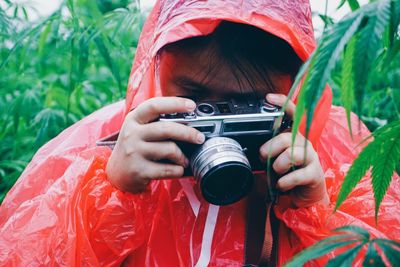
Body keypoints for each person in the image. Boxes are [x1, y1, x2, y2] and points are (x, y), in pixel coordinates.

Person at [0, 1, 399, 266]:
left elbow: (384, 251)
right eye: (195, 101)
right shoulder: (97, 144)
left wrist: (317, 215)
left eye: (247, 106)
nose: (214, 131)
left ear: (297, 84)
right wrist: (110, 194)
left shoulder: (337, 148)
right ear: (156, 67)